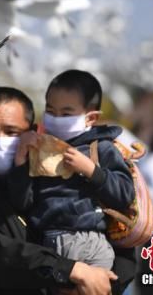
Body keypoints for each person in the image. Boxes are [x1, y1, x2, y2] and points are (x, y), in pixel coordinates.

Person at [0, 86, 134, 295]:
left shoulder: (63, 181)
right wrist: (70, 272)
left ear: (32, 132)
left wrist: (104, 284)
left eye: (11, 132)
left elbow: (121, 243)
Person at [8, 70, 135, 270]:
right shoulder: (37, 148)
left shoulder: (101, 148)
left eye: (66, 113)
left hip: (91, 243)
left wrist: (92, 170)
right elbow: (22, 202)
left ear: (90, 118)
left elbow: (125, 194)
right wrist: (20, 160)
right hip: (47, 245)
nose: (55, 118)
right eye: (50, 111)